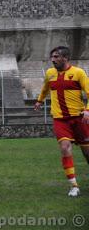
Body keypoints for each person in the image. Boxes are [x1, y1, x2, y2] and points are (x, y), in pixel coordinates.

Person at [34, 46, 89, 197]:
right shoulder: (50, 73)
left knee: (87, 153)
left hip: (79, 118)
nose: (53, 60)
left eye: (56, 57)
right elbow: (46, 88)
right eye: (52, 57)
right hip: (60, 119)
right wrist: (39, 101)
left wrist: (87, 110)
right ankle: (74, 186)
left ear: (65, 58)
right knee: (65, 148)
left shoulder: (78, 73)